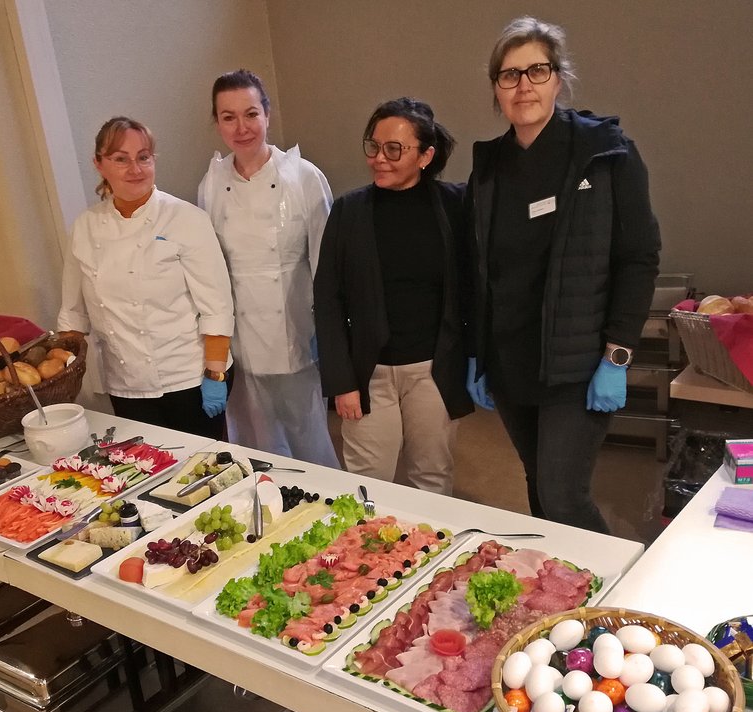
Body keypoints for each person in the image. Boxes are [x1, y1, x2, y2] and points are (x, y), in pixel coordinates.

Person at [465, 17, 661, 532]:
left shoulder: (605, 153)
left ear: (558, 77)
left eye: (537, 70)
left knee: (563, 493)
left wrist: (617, 355)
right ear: (496, 88)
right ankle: (556, 580)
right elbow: (482, 269)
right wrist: (479, 352)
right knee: (537, 485)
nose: (523, 85)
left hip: (578, 363)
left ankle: (611, 582)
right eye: (509, 75)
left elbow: (639, 257)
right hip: (512, 361)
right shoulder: (489, 166)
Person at [313, 98, 473, 495]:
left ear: (425, 156)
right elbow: (328, 299)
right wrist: (342, 382)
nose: (379, 159)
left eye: (394, 149)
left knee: (432, 477)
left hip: (434, 372)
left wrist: (476, 358)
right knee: (368, 484)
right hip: (369, 373)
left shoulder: (456, 205)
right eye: (374, 146)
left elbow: (475, 284)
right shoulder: (349, 211)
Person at [58, 116, 234, 439]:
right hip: (126, 384)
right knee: (144, 464)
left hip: (190, 378)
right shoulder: (84, 227)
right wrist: (60, 370)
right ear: (99, 164)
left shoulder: (186, 219)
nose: (135, 169)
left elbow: (217, 307)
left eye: (143, 157)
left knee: (202, 466)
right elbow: (73, 313)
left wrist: (216, 374)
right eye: (120, 159)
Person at [198, 69, 339, 467]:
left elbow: (327, 264)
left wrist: (328, 334)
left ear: (267, 114)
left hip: (296, 334)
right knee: (256, 445)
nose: (241, 128)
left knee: (309, 441)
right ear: (217, 122)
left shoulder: (303, 177)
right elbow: (212, 271)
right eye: (228, 117)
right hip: (241, 342)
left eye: (250, 114)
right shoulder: (211, 183)